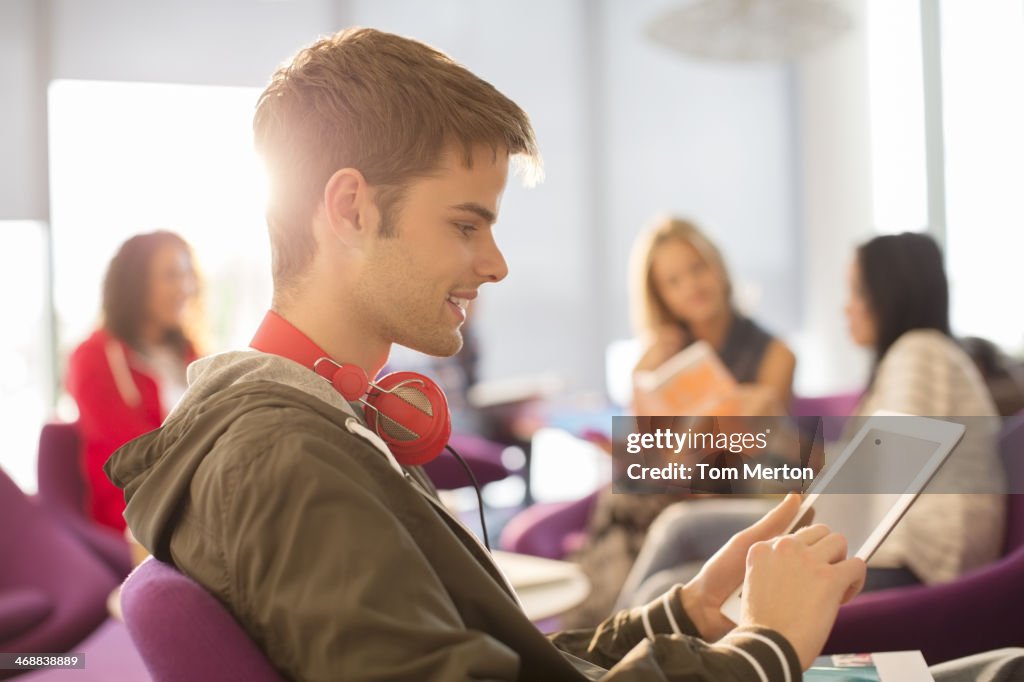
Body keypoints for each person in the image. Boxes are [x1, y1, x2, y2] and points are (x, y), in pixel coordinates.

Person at [105, 28, 865, 680]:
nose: (495, 263)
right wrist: (766, 648)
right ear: (351, 209)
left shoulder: (305, 427)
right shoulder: (287, 462)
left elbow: (492, 664)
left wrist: (686, 615)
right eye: (467, 226)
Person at [618, 231, 1006, 609]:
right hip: (879, 543)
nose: (845, 308)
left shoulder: (920, 353)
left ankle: (599, 656)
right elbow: (863, 472)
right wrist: (778, 435)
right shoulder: (907, 361)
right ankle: (603, 654)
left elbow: (874, 479)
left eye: (856, 292)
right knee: (676, 554)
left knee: (672, 571)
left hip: (909, 559)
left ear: (887, 296)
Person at [563, 216, 796, 628]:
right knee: (623, 499)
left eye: (697, 268)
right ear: (661, 296)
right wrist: (641, 378)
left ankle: (598, 638)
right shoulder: (661, 357)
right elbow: (642, 456)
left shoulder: (775, 354)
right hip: (673, 489)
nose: (691, 286)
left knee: (628, 505)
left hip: (733, 491)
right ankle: (597, 636)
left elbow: (758, 456)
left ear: (718, 267)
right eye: (673, 281)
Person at [66, 230, 201, 532]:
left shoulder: (189, 355)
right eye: (170, 276)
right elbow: (132, 456)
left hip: (194, 497)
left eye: (187, 274)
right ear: (135, 284)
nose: (186, 287)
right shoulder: (94, 357)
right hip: (135, 515)